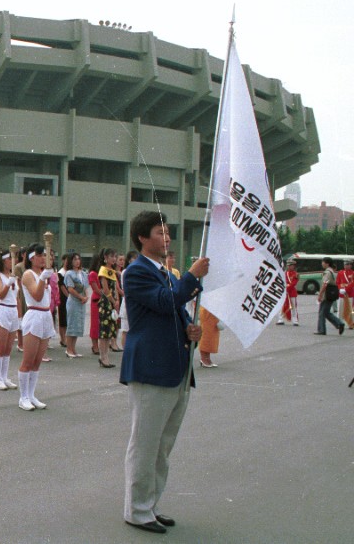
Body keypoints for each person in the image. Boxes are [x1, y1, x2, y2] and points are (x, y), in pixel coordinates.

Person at [121, 210, 209, 534]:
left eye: (168, 232)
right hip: (151, 369)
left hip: (176, 367)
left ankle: (151, 504)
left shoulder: (169, 274)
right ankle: (136, 509)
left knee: (163, 445)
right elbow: (165, 300)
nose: (167, 237)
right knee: (145, 444)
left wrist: (189, 329)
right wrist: (192, 276)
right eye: (160, 232)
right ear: (143, 238)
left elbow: (176, 309)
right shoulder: (135, 272)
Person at [17, 244, 54, 410]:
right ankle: (23, 397)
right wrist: (43, 277)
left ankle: (31, 394)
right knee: (28, 360)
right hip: (34, 316)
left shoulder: (42, 275)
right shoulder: (28, 274)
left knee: (37, 361)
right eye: (41, 255)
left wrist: (45, 276)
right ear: (32, 257)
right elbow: (37, 295)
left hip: (46, 316)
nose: (45, 258)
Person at [0, 249, 19, 390]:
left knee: (8, 348)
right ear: (3, 261)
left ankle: (5, 376)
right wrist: (9, 283)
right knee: (1, 347)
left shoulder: (13, 276)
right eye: (9, 259)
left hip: (13, 310)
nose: (11, 262)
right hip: (3, 309)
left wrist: (19, 315)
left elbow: (17, 297)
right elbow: (1, 295)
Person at [97, 248, 120, 368]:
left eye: (115, 256)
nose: (114, 259)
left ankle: (106, 356)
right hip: (106, 303)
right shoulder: (103, 270)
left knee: (109, 331)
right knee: (104, 331)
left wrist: (117, 302)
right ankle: (103, 357)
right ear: (106, 257)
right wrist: (113, 301)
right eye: (112, 256)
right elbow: (105, 289)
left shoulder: (113, 271)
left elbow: (115, 288)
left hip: (112, 303)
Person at [63, 253, 88, 358]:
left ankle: (73, 348)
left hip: (82, 302)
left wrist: (86, 297)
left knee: (78, 325)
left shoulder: (83, 273)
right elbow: (70, 289)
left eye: (78, 259)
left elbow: (86, 287)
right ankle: (68, 349)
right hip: (73, 301)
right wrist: (81, 297)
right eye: (74, 259)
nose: (77, 261)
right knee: (72, 324)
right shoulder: (69, 273)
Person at [315, 256, 345, 336]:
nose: (322, 264)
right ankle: (339, 323)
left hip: (327, 294)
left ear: (327, 263)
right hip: (331, 294)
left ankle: (322, 330)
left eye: (323, 262)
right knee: (326, 312)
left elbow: (325, 284)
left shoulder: (327, 272)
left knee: (322, 313)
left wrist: (320, 294)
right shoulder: (332, 271)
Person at [277, 259, 299, 326]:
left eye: (291, 265)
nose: (290, 267)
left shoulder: (296, 274)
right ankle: (280, 319)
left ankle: (295, 320)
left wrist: (287, 288)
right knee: (282, 306)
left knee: (293, 306)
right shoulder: (284, 273)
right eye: (289, 265)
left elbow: (294, 283)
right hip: (284, 292)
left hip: (291, 292)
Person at [88, 252, 102, 356]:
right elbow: (96, 289)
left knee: (102, 324)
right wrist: (107, 294)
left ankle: (100, 345)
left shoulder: (102, 273)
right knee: (95, 324)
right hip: (96, 301)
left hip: (103, 300)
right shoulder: (93, 274)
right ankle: (95, 345)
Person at [336, 259, 354, 329]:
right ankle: (339, 323)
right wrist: (340, 288)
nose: (346, 266)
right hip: (341, 294)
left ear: (350, 265)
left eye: (348, 264)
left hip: (350, 294)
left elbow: (352, 283)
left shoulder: (353, 273)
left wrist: (345, 289)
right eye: (345, 264)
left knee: (350, 309)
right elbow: (337, 282)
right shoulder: (340, 273)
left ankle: (351, 323)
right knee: (340, 308)